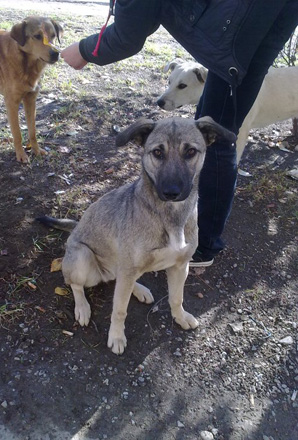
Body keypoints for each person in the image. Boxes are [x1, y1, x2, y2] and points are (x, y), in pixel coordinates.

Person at [61, 0, 298, 267]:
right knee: (219, 132)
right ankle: (199, 232)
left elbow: (131, 30)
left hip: (240, 30)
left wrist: (84, 50)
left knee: (218, 141)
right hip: (268, 15)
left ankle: (202, 245)